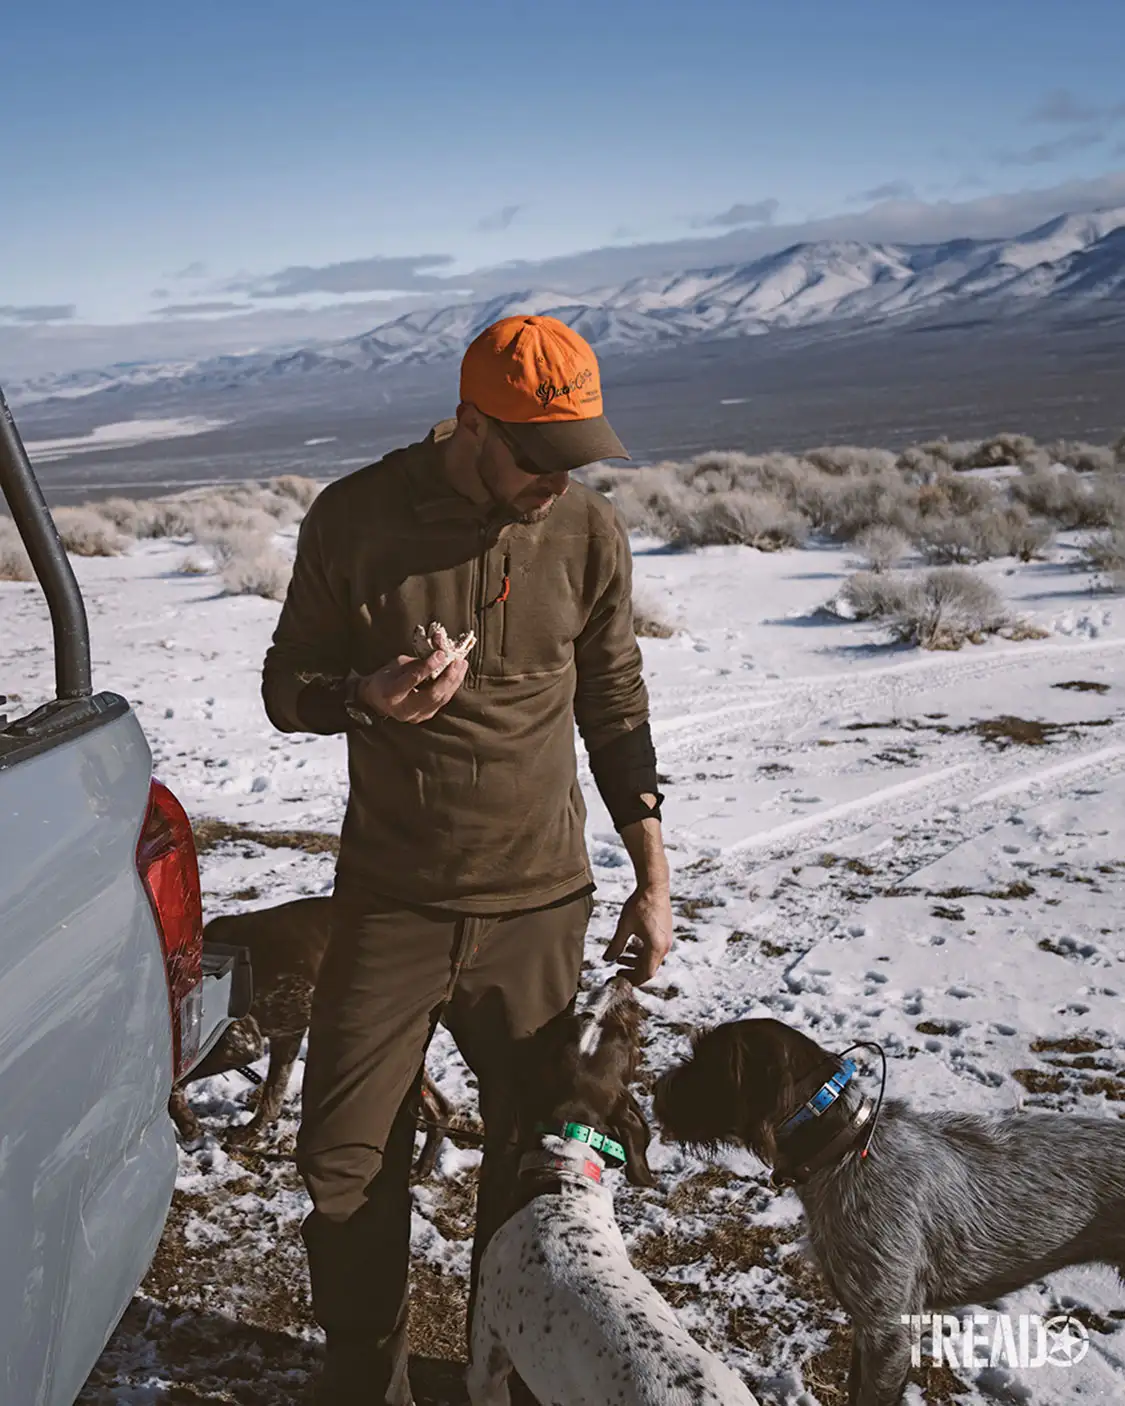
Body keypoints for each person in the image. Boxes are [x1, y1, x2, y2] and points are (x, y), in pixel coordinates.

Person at [262, 313, 674, 1406]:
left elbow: (616, 704)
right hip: (392, 902)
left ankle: (509, 1363)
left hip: (540, 905)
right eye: (540, 456)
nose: (559, 480)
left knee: (532, 1160)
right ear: (474, 424)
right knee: (345, 1159)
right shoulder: (355, 518)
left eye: (578, 457)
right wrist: (364, 697)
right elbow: (283, 684)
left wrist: (652, 867)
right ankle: (368, 1374)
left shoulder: (586, 534)